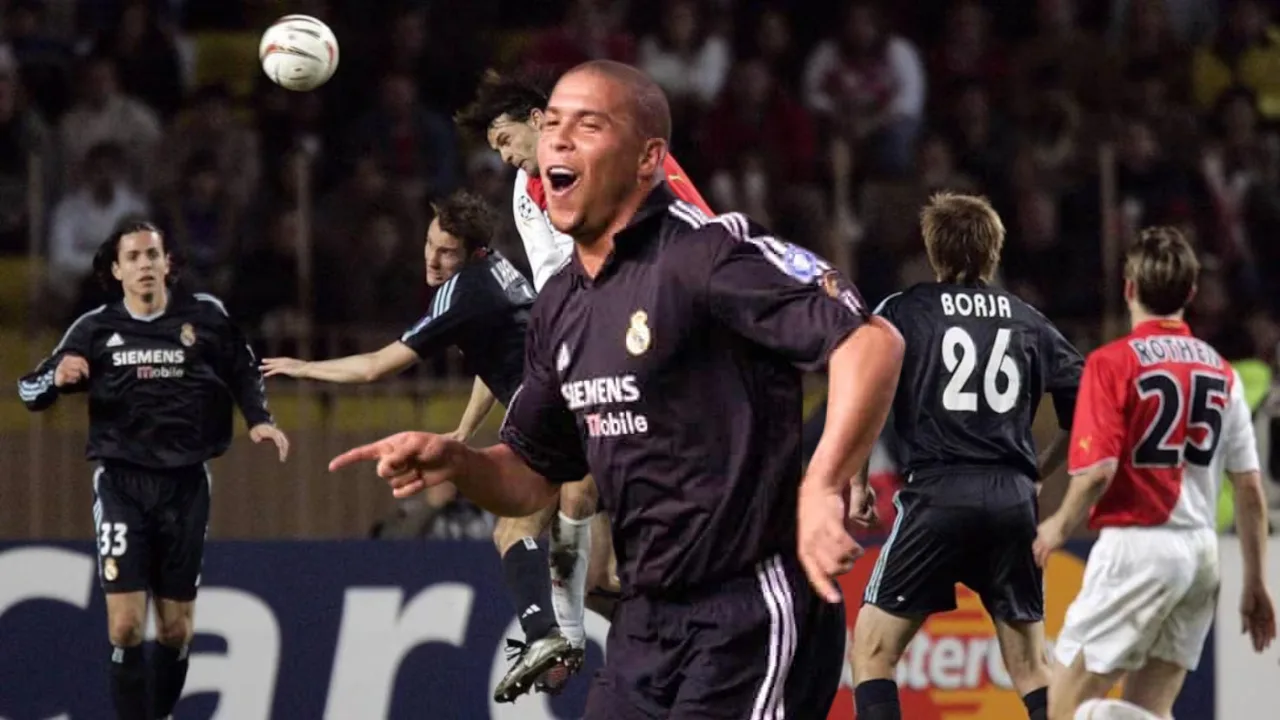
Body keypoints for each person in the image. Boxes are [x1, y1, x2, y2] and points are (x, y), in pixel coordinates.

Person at [330, 60, 905, 718]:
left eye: (588, 125)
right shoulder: (559, 306)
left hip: (748, 609)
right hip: (646, 624)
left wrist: (824, 482)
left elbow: (871, 341)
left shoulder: (707, 255)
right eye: (553, 124)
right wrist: (459, 461)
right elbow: (530, 477)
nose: (557, 139)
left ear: (647, 158)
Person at [453, 68, 716, 700]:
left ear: (539, 120)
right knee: (544, 536)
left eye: (505, 138)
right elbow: (552, 291)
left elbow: (691, 234)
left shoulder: (614, 165)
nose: (504, 156)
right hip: (582, 349)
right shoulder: (531, 192)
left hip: (662, 341)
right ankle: (582, 639)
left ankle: (577, 633)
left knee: (580, 508)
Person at [17, 221, 289, 720]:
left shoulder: (204, 317)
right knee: (124, 626)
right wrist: (56, 377)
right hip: (121, 484)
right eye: (133, 257)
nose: (144, 264)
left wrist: (259, 420)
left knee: (175, 630)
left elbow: (242, 368)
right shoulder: (94, 328)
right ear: (117, 270)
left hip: (185, 485)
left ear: (168, 264)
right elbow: (28, 391)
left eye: (152, 255)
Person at [848, 193, 1084, 720]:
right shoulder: (1028, 319)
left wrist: (859, 482)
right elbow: (1087, 404)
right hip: (1012, 500)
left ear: (933, 250)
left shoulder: (903, 310)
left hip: (938, 495)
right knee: (1032, 667)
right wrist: (1039, 471)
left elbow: (864, 393)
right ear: (993, 252)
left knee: (872, 652)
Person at [1034, 227, 1276, 720]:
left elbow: (1098, 471)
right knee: (1150, 708)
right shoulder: (1222, 372)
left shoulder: (1111, 364)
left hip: (1137, 548)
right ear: (1191, 293)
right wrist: (1255, 581)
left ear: (1129, 288)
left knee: (1062, 708)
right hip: (1202, 553)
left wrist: (1056, 526)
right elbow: (1249, 489)